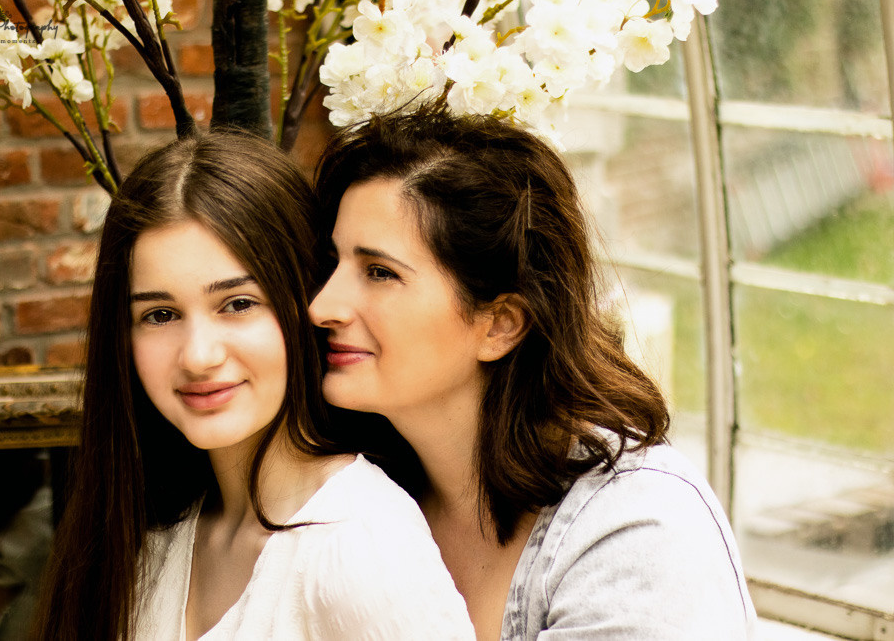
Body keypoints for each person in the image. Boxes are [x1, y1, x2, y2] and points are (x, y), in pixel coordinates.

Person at [309, 108, 758, 640]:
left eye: (380, 272)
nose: (323, 306)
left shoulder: (636, 529)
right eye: (332, 263)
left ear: (499, 324)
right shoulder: (350, 494)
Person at [31, 130, 475, 640]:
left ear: (301, 299)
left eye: (238, 304)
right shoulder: (154, 537)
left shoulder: (357, 543)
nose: (199, 356)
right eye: (160, 314)